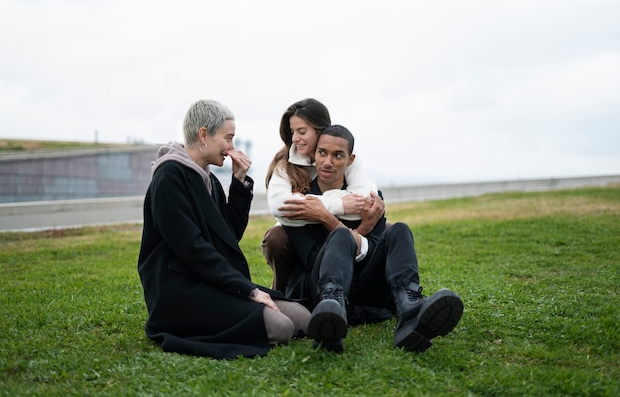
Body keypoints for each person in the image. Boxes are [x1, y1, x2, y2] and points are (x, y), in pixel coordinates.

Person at [137, 99, 310, 359]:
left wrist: (238, 182)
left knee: (303, 317)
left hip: (211, 282)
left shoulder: (207, 179)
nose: (232, 147)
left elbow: (228, 237)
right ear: (204, 135)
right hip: (181, 291)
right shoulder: (169, 177)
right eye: (228, 138)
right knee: (282, 327)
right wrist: (247, 289)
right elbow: (192, 249)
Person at [278, 124, 464, 353]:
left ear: (350, 159)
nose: (328, 162)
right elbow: (312, 258)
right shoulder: (301, 200)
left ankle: (409, 309)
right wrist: (334, 222)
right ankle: (331, 316)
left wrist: (340, 222)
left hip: (365, 284)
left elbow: (376, 248)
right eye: (322, 152)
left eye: (338, 155)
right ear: (314, 154)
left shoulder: (369, 197)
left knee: (399, 229)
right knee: (340, 236)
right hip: (321, 289)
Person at [262, 98, 378, 293]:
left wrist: (312, 205)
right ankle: (282, 293)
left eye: (302, 131)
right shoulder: (285, 164)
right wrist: (338, 205)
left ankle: (369, 291)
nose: (295, 138)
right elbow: (279, 206)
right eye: (292, 132)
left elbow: (364, 200)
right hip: (299, 233)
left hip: (336, 229)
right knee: (276, 237)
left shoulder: (344, 153)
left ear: (320, 129)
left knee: (388, 228)